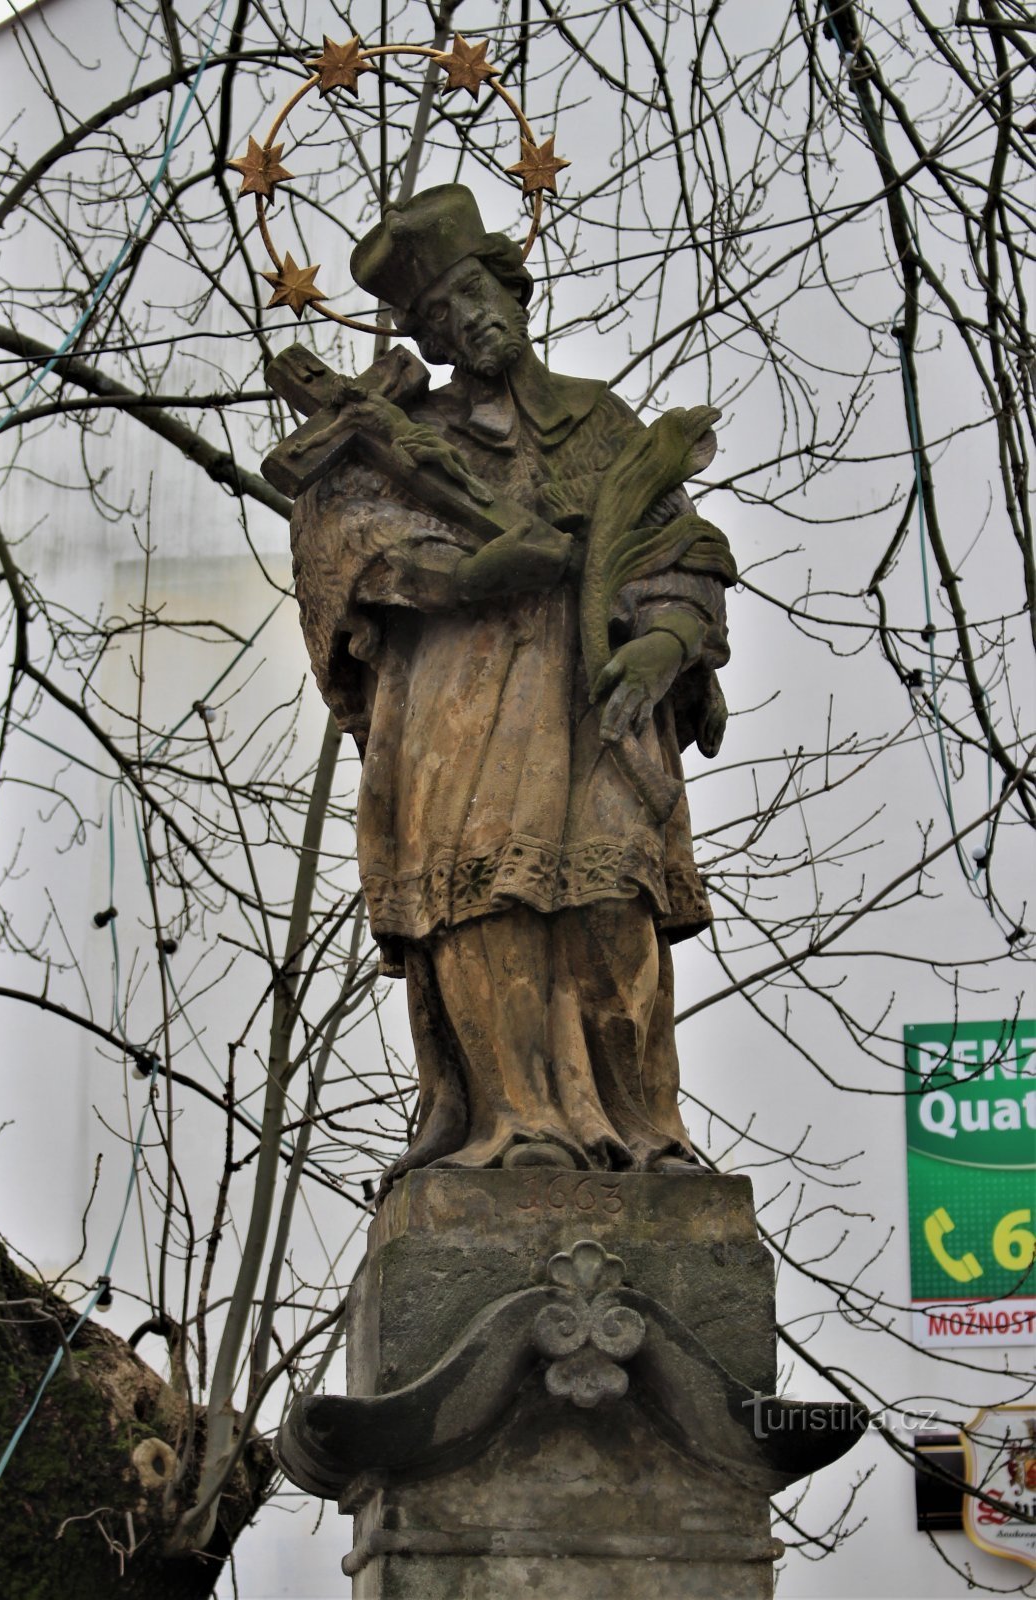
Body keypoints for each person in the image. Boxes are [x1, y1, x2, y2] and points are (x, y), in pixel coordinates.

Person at [288, 184, 735, 1187]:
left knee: (611, 899)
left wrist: (664, 643)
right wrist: (471, 574)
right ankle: (514, 1122)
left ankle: (644, 1128)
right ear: (425, 336)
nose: (465, 318)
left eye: (473, 290)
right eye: (438, 312)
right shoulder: (402, 439)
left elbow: (682, 546)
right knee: (485, 900)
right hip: (463, 704)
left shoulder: (596, 422)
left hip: (595, 702)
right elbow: (344, 547)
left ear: (512, 285)